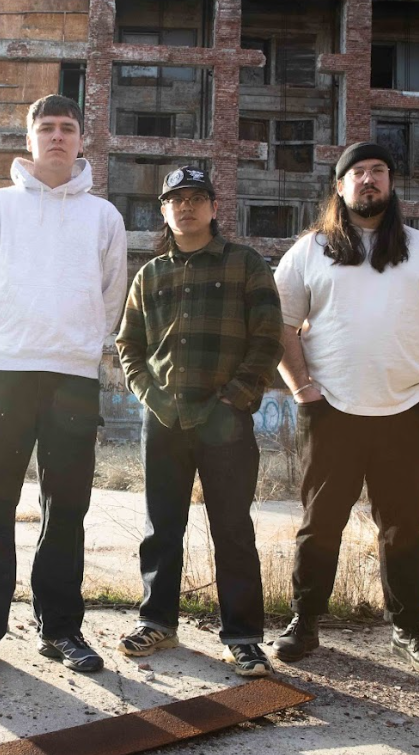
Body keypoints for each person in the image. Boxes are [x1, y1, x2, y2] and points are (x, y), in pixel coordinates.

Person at [272, 141, 419, 675]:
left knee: (403, 528)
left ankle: (408, 629)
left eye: (379, 170)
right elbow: (280, 325)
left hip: (408, 412)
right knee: (319, 525)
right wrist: (303, 390)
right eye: (358, 172)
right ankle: (304, 623)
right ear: (340, 187)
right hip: (331, 411)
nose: (369, 179)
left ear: (391, 182)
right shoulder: (310, 250)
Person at [0, 94, 127, 678]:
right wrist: (4, 339)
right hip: (6, 374)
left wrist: (80, 343)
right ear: (29, 139)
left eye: (67, 128)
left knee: (67, 507)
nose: (56, 136)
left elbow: (111, 295)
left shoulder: (103, 216)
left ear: (80, 140)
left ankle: (61, 630)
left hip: (73, 378)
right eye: (45, 127)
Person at [114, 166, 284, 676]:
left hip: (224, 421)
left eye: (195, 198)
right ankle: (158, 623)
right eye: (175, 200)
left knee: (232, 528)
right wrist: (150, 396)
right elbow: (129, 345)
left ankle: (243, 637)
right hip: (164, 419)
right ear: (164, 212)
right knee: (161, 527)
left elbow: (268, 339)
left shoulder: (245, 264)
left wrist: (234, 399)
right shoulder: (150, 274)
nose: (185, 207)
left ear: (214, 207)